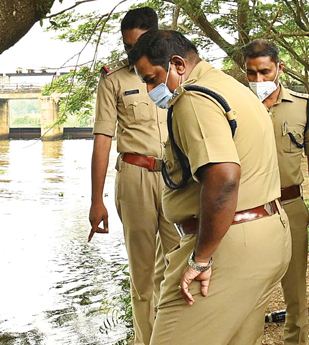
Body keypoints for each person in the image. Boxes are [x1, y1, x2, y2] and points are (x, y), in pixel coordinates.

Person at [129, 30, 292, 345]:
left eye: (152, 78)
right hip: (269, 235)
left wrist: (200, 258)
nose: (150, 90)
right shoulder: (235, 89)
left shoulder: (194, 98)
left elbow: (224, 177)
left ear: (177, 64)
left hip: (229, 244)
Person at [87, 8, 180, 345]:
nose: (132, 53)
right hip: (135, 178)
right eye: (127, 47)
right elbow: (102, 139)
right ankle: (146, 340)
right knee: (142, 276)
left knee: (179, 264)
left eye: (138, 44)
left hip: (175, 178)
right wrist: (96, 200)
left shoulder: (176, 74)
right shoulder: (113, 80)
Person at [243, 39, 309, 345]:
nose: (258, 80)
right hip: (248, 211)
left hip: (290, 206)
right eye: (251, 73)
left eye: (264, 72)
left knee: (295, 292)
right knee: (249, 291)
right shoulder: (236, 107)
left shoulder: (304, 106)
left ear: (279, 68)